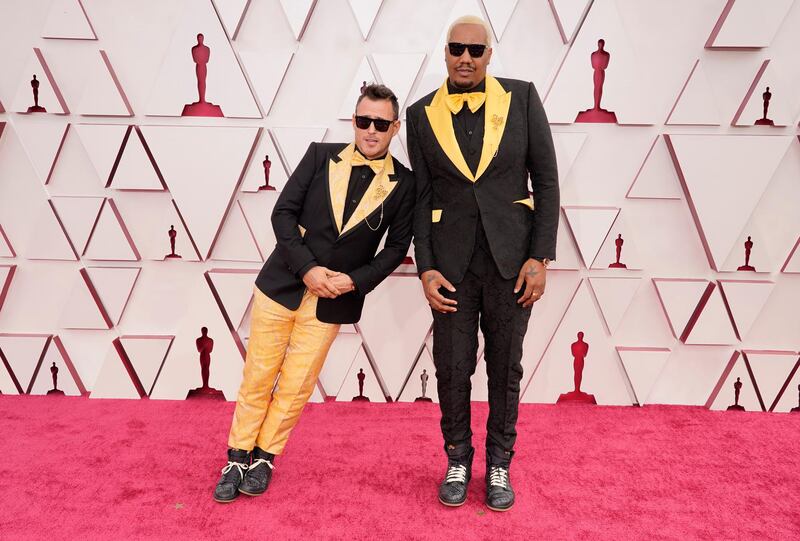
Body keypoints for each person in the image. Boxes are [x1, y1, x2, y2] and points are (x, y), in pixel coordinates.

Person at [212, 84, 415, 503]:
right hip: (282, 285)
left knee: (297, 383)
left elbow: (396, 249)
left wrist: (354, 280)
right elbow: (282, 213)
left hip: (333, 300)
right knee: (259, 376)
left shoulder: (405, 183)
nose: (370, 131)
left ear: (395, 127)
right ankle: (236, 456)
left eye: (380, 123)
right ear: (353, 121)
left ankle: (265, 457)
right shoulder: (320, 155)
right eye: (363, 121)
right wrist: (307, 269)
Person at [407, 15, 559, 511]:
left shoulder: (522, 97)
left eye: (476, 49)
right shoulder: (420, 113)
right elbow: (421, 196)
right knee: (452, 368)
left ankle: (498, 463)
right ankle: (457, 458)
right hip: (449, 266)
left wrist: (540, 255)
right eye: (457, 49)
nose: (466, 58)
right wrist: (425, 266)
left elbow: (547, 180)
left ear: (490, 53)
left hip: (511, 262)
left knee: (504, 368)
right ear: (445, 53)